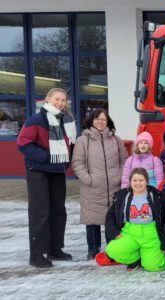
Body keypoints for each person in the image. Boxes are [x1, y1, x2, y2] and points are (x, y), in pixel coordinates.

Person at [17, 87, 76, 267]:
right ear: (47, 100)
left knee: (58, 211)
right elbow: (23, 144)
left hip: (57, 170)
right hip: (38, 170)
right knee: (40, 212)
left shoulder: (66, 120)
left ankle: (54, 248)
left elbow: (70, 144)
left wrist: (65, 162)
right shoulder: (36, 120)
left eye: (63, 100)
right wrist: (46, 157)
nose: (60, 103)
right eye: (57, 99)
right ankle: (36, 254)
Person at [72, 108, 128, 260]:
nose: (100, 122)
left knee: (113, 219)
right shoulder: (83, 140)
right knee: (92, 220)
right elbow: (77, 163)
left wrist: (119, 175)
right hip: (92, 187)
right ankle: (93, 249)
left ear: (108, 122)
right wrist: (89, 179)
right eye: (97, 119)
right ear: (91, 121)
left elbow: (124, 161)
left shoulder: (116, 140)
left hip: (113, 186)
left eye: (103, 119)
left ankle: (113, 248)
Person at [105, 168, 165, 272]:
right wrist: (115, 233)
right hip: (130, 232)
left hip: (151, 233)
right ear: (130, 182)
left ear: (147, 181)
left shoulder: (157, 196)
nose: (138, 183)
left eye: (141, 180)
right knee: (112, 250)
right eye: (134, 180)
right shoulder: (122, 197)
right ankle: (135, 259)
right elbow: (110, 217)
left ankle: (154, 257)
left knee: (154, 266)